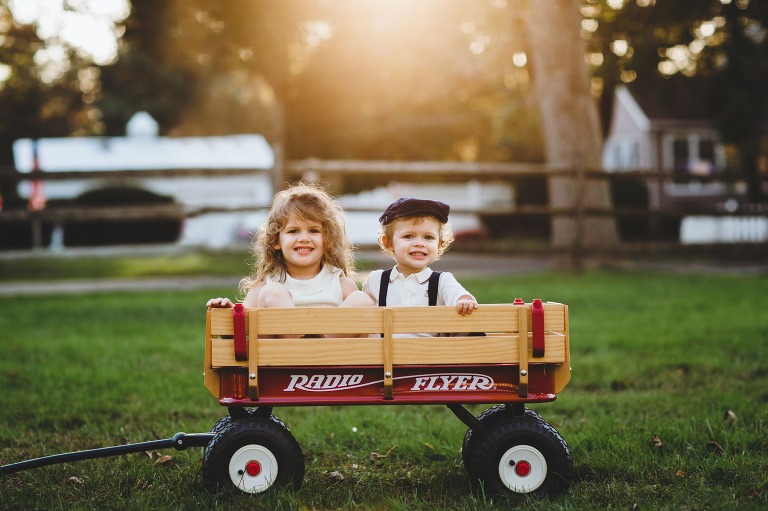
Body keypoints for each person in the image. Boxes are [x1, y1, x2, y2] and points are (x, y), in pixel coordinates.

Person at [207, 183, 373, 311]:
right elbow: (239, 335)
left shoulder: (341, 286)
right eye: (293, 231)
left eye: (313, 230)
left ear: (327, 239)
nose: (304, 238)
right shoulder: (264, 288)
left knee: (362, 300)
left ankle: (317, 347)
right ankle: (297, 348)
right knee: (272, 293)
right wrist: (228, 313)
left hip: (328, 354)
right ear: (276, 241)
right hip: (280, 355)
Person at [362, 197, 478, 322]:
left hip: (427, 342)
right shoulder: (376, 280)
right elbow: (361, 318)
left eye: (428, 237)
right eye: (409, 236)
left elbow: (458, 295)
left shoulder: (442, 281)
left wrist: (463, 299)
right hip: (386, 341)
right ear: (389, 243)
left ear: (439, 245)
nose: (419, 243)